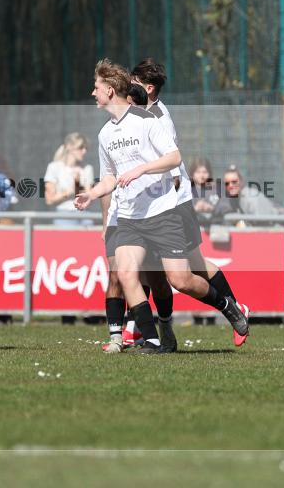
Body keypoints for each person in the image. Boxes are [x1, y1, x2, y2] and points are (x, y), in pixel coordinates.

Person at [77, 59, 248, 355]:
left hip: (163, 212)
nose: (92, 93)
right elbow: (109, 177)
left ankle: (227, 305)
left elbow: (174, 158)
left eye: (96, 88)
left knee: (180, 279)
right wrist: (91, 194)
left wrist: (141, 170)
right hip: (130, 217)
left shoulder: (149, 120)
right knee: (126, 274)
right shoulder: (105, 134)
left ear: (109, 90)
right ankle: (153, 340)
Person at [130, 58, 250, 348]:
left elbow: (172, 164)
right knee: (166, 267)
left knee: (184, 272)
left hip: (173, 203)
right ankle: (146, 330)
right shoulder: (138, 114)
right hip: (156, 203)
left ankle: (231, 308)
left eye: (132, 84)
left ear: (147, 88)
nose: (126, 88)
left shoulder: (159, 119)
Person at [44, 133, 95, 225]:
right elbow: (49, 199)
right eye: (80, 148)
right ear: (69, 147)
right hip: (64, 215)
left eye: (86, 148)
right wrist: (70, 191)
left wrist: (78, 186)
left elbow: (89, 197)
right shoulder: (54, 167)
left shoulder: (87, 169)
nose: (84, 151)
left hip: (85, 215)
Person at [211, 164, 278, 226]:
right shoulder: (233, 198)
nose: (230, 185)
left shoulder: (252, 199)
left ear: (241, 181)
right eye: (227, 182)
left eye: (234, 181)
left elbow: (265, 225)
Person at [189, 157, 219, 223]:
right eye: (198, 172)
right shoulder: (186, 191)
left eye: (205, 172)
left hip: (215, 227)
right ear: (192, 173)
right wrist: (195, 208)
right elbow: (181, 210)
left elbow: (226, 206)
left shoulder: (217, 189)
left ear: (209, 173)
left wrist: (212, 208)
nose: (201, 175)